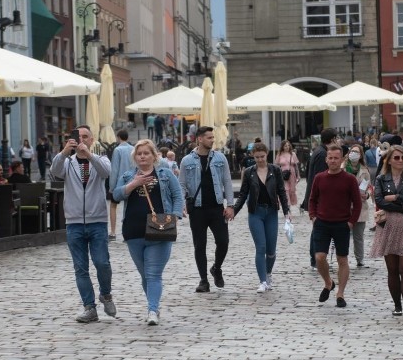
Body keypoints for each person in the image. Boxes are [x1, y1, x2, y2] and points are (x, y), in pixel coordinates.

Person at [113, 139, 183, 325]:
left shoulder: (165, 174)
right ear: (135, 157)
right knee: (145, 274)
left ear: (154, 156)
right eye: (139, 153)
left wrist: (175, 216)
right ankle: (154, 305)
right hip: (133, 231)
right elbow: (117, 195)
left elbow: (177, 195)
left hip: (159, 229)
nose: (142, 156)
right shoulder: (128, 175)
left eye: (146, 153)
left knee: (153, 274)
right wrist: (133, 184)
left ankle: (152, 310)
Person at [50, 125, 115, 323]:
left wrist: (90, 156)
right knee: (81, 267)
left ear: (92, 139)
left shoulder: (100, 158)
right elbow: (55, 172)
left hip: (97, 221)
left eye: (86, 136)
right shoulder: (67, 162)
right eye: (78, 137)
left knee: (102, 262)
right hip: (74, 221)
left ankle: (106, 294)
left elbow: (106, 173)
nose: (82, 140)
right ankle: (89, 307)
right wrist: (63, 152)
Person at [179, 126, 235, 293]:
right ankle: (203, 280)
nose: (212, 140)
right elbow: (181, 184)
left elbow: (227, 181)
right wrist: (181, 204)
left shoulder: (220, 158)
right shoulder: (187, 161)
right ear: (200, 139)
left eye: (213, 137)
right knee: (200, 245)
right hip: (197, 208)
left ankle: (216, 268)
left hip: (217, 207)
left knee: (223, 241)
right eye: (209, 137)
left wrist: (230, 205)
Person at [372, 145, 403, 318]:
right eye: (396, 157)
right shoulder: (380, 178)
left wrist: (396, 198)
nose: (400, 161)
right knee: (392, 269)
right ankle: (397, 305)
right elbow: (380, 200)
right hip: (388, 227)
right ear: (389, 160)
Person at [308, 146, 362, 308]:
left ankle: (340, 293)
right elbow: (312, 199)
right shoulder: (319, 178)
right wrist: (313, 216)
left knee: (342, 259)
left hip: (342, 223)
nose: (333, 161)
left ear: (342, 159)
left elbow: (357, 203)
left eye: (336, 158)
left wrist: (351, 222)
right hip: (322, 223)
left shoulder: (349, 179)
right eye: (330, 158)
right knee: (319, 257)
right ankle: (328, 282)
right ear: (326, 159)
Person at [233, 142, 291, 293]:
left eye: (262, 156)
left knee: (271, 250)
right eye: (257, 157)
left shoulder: (275, 170)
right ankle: (262, 281)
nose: (260, 160)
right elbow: (243, 194)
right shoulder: (249, 172)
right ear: (253, 156)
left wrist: (286, 211)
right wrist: (234, 210)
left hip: (271, 212)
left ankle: (268, 273)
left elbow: (281, 192)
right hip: (255, 212)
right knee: (261, 247)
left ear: (267, 154)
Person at [301, 128, 337, 268]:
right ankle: (315, 259)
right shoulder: (323, 154)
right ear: (333, 139)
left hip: (314, 197)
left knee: (318, 229)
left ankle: (316, 258)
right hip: (319, 199)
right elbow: (322, 179)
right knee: (318, 229)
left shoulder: (318, 151)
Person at [343, 143, 373, 268]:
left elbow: (369, 187)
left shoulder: (364, 170)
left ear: (360, 155)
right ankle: (342, 257)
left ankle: (360, 259)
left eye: (356, 152)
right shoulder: (342, 168)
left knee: (358, 236)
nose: (353, 154)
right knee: (343, 235)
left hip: (360, 206)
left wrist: (367, 194)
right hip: (344, 207)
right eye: (352, 151)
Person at [108, 129, 134, 241]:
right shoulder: (133, 149)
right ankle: (127, 232)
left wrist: (111, 187)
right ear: (127, 137)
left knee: (113, 206)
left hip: (120, 182)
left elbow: (114, 169)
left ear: (118, 137)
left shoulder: (118, 150)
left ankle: (113, 232)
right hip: (132, 181)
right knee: (128, 207)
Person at [275, 140, 300, 210]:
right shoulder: (279, 154)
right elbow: (276, 165)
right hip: (283, 174)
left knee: (292, 190)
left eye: (288, 145)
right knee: (286, 190)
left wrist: (298, 175)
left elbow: (296, 166)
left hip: (292, 174)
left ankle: (290, 204)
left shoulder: (293, 154)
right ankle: (287, 207)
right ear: (282, 147)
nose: (287, 147)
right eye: (285, 146)